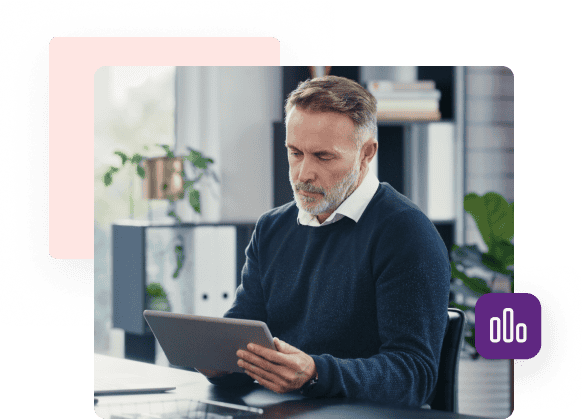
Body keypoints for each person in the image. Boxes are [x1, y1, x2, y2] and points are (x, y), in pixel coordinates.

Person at [198, 75, 450, 408]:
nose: (303, 173)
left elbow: (413, 376)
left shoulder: (406, 234)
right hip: (282, 409)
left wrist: (316, 373)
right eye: (295, 152)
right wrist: (218, 360)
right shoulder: (271, 228)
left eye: (323, 156)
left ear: (366, 153)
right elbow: (245, 330)